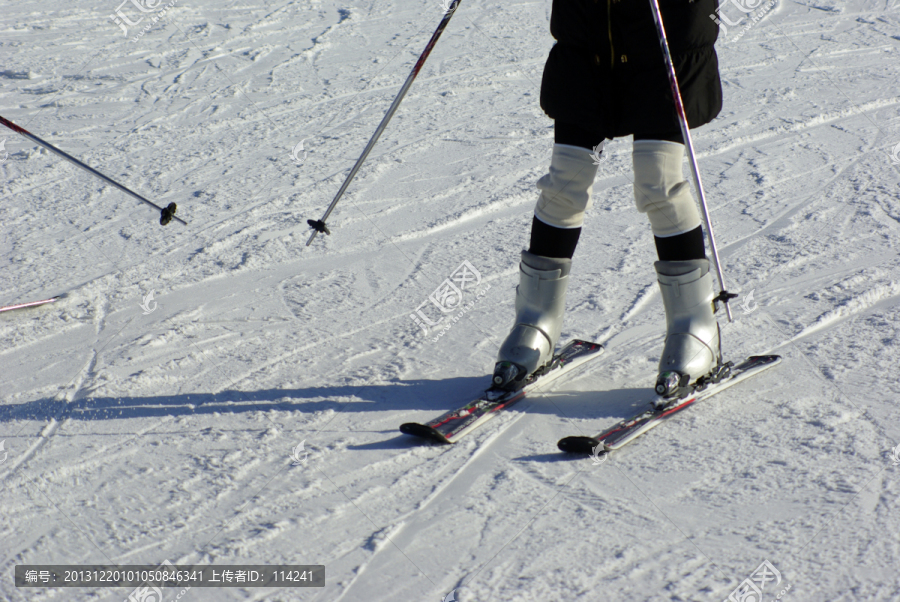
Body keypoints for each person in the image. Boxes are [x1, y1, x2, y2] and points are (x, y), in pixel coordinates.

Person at [493, 0, 726, 403]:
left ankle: (695, 328)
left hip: (663, 40)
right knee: (565, 182)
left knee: (659, 181)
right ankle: (537, 323)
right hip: (588, 45)